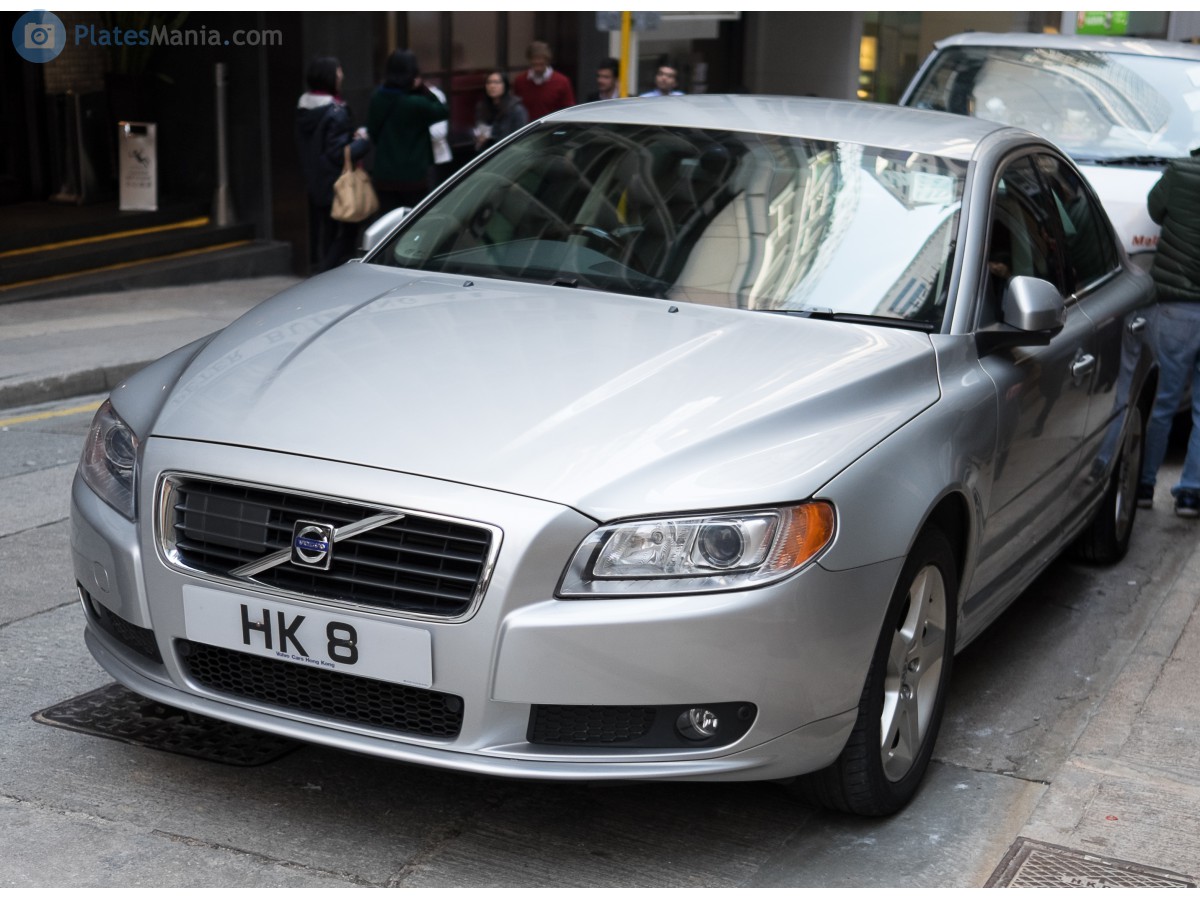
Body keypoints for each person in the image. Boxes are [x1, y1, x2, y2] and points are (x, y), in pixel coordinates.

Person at [1138, 145, 1200, 517]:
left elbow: (1153, 210)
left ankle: (1143, 485)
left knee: (1162, 403)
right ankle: (1191, 494)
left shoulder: (1178, 172)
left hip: (1176, 306)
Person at [295, 55, 370, 273]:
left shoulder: (304, 108)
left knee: (326, 234)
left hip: (314, 180)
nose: (342, 75)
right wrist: (362, 143)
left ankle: (322, 272)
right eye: (338, 71)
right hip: (337, 181)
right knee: (347, 233)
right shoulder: (335, 112)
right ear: (329, 77)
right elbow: (339, 153)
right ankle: (326, 275)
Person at [367, 49, 449, 212]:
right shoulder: (416, 103)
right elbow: (443, 111)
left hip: (384, 175)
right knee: (413, 221)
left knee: (388, 222)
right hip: (414, 176)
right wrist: (423, 89)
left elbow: (373, 132)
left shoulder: (377, 97)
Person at [512, 40, 575, 121]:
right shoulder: (520, 81)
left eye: (541, 61)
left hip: (552, 128)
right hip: (527, 129)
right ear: (529, 60)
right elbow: (515, 109)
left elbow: (568, 111)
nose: (538, 63)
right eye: (534, 61)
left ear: (547, 60)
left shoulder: (562, 82)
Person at [473, 71, 528, 153]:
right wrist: (480, 138)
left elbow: (522, 139)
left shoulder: (516, 109)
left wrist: (492, 135)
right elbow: (479, 130)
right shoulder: (481, 107)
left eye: (496, 82)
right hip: (485, 154)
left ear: (505, 86)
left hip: (507, 155)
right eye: (489, 82)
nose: (492, 86)